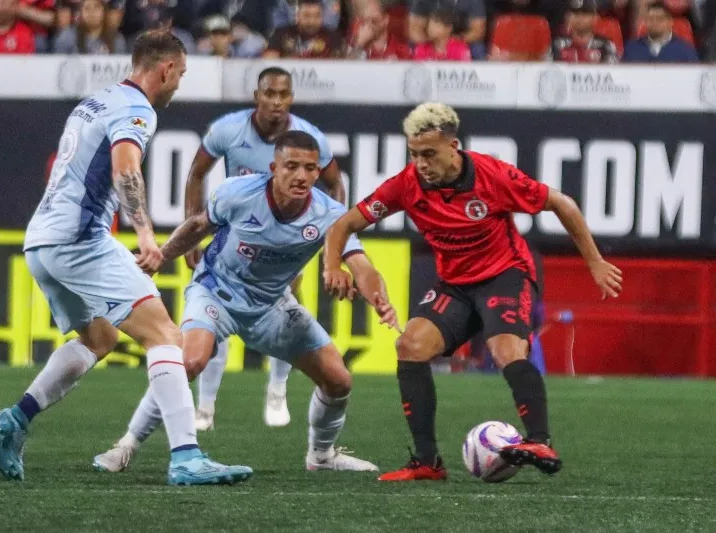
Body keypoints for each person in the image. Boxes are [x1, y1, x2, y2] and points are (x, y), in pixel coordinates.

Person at [0, 30, 252, 487]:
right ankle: (187, 457)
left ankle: (16, 418)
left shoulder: (97, 100)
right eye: (180, 74)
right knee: (166, 336)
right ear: (165, 69)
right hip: (80, 241)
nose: (179, 84)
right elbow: (125, 168)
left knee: (99, 339)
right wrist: (146, 234)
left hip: (42, 242)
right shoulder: (137, 109)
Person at [323, 102, 623, 481]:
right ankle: (428, 463)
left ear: (454, 147)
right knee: (410, 345)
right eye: (414, 154)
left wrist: (595, 262)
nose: (421, 164)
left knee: (505, 350)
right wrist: (332, 266)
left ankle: (540, 441)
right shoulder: (406, 185)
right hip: (456, 285)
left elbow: (562, 203)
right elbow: (343, 224)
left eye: (429, 154)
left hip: (505, 274)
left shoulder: (492, 175)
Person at [92, 131, 393, 474]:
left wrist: (378, 299)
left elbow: (361, 265)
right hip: (215, 291)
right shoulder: (239, 192)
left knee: (339, 381)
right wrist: (161, 256)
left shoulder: (329, 214)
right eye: (291, 166)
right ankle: (126, 445)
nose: (301, 176)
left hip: (271, 306)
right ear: (273, 168)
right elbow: (198, 226)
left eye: (310, 168)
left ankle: (321, 457)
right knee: (188, 362)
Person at [159, 66, 346, 433]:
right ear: (256, 96)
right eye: (269, 94)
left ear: (291, 98)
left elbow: (336, 185)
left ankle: (277, 390)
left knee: (286, 307)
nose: (276, 101)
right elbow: (197, 173)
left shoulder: (310, 138)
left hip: (288, 233)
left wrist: (328, 240)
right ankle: (206, 406)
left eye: (283, 94)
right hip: (239, 228)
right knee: (216, 311)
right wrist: (192, 227)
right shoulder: (228, 129)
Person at [264, 0, 345, 58]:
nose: (311, 21)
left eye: (317, 16)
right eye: (306, 15)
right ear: (297, 16)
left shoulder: (332, 36)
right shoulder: (281, 34)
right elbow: (269, 61)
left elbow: (340, 63)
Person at [623, 1, 698, 62]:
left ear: (670, 22)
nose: (655, 22)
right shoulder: (631, 49)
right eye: (650, 19)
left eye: (660, 19)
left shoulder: (685, 51)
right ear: (645, 22)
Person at [550, 0, 619, 63]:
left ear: (595, 18)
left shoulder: (605, 45)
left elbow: (612, 70)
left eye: (584, 14)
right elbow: (547, 69)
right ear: (567, 18)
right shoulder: (558, 44)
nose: (580, 18)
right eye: (575, 14)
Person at [52, 0, 126, 54]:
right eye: (87, 8)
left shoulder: (116, 39)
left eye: (96, 7)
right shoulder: (67, 37)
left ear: (104, 11)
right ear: (80, 13)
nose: (92, 12)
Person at [347, 0, 411, 60]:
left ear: (385, 20)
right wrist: (359, 45)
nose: (368, 25)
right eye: (365, 20)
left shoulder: (401, 51)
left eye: (374, 20)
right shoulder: (355, 44)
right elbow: (346, 66)